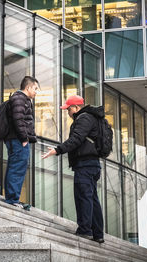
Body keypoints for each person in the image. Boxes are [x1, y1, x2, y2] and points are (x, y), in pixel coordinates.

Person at [41, 95, 105, 244]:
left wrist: (57, 150)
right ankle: (98, 233)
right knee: (92, 198)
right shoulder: (91, 118)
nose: (68, 113)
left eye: (68, 109)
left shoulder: (84, 118)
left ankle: (85, 230)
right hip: (92, 164)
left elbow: (76, 139)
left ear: (76, 107)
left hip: (85, 165)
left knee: (83, 197)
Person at [4, 76, 39, 210]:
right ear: (28, 87)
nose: (36, 92)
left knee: (15, 166)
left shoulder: (22, 99)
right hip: (18, 140)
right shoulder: (19, 98)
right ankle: (12, 198)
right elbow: (18, 119)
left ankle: (12, 197)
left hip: (17, 139)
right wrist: (24, 138)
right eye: (35, 89)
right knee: (17, 167)